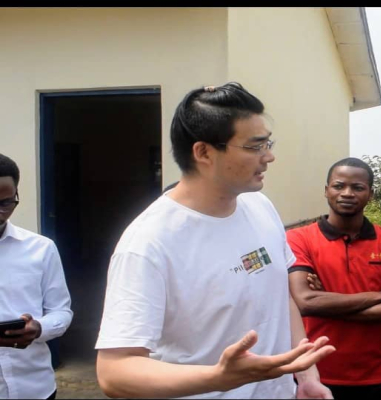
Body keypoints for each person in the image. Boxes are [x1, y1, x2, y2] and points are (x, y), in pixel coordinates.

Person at [94, 83, 335, 399]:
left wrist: (305, 376)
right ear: (204, 152)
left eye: (268, 143)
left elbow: (279, 295)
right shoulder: (148, 244)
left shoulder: (260, 207)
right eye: (255, 146)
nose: (269, 157)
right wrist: (218, 378)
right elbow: (114, 373)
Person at [286, 157, 381, 399]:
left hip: (380, 372)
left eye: (358, 187)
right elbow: (306, 301)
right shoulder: (299, 240)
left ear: (370, 194)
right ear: (326, 190)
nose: (347, 193)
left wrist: (330, 304)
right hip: (318, 372)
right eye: (339, 186)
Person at [0, 153, 73, 400]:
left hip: (34, 387)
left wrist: (38, 327)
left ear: (16, 195)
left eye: (5, 203)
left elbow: (61, 311)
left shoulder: (42, 248)